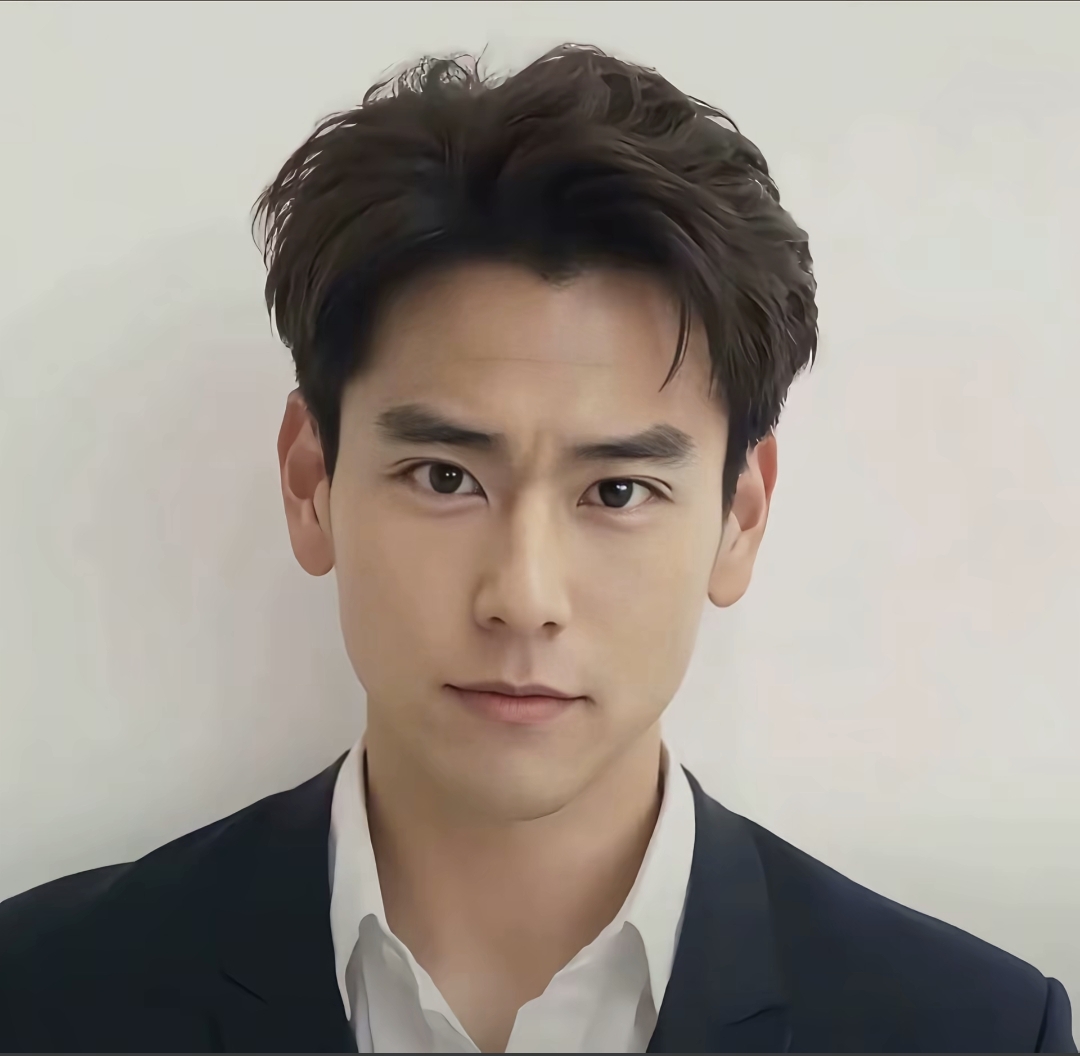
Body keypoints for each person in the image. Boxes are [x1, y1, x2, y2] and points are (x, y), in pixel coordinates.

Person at [0, 43, 1073, 1055]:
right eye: (445, 477)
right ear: (310, 481)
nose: (523, 596)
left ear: (739, 518)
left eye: (618, 491)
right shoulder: (42, 991)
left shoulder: (972, 1030)